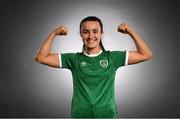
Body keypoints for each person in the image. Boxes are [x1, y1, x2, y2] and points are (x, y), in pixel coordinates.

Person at [35, 16, 153, 118]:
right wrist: (53, 33)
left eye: (95, 31)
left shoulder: (112, 58)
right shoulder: (73, 59)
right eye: (86, 32)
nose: (91, 36)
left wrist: (130, 31)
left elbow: (146, 54)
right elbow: (41, 57)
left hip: (107, 115)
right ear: (81, 34)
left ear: (101, 33)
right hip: (80, 115)